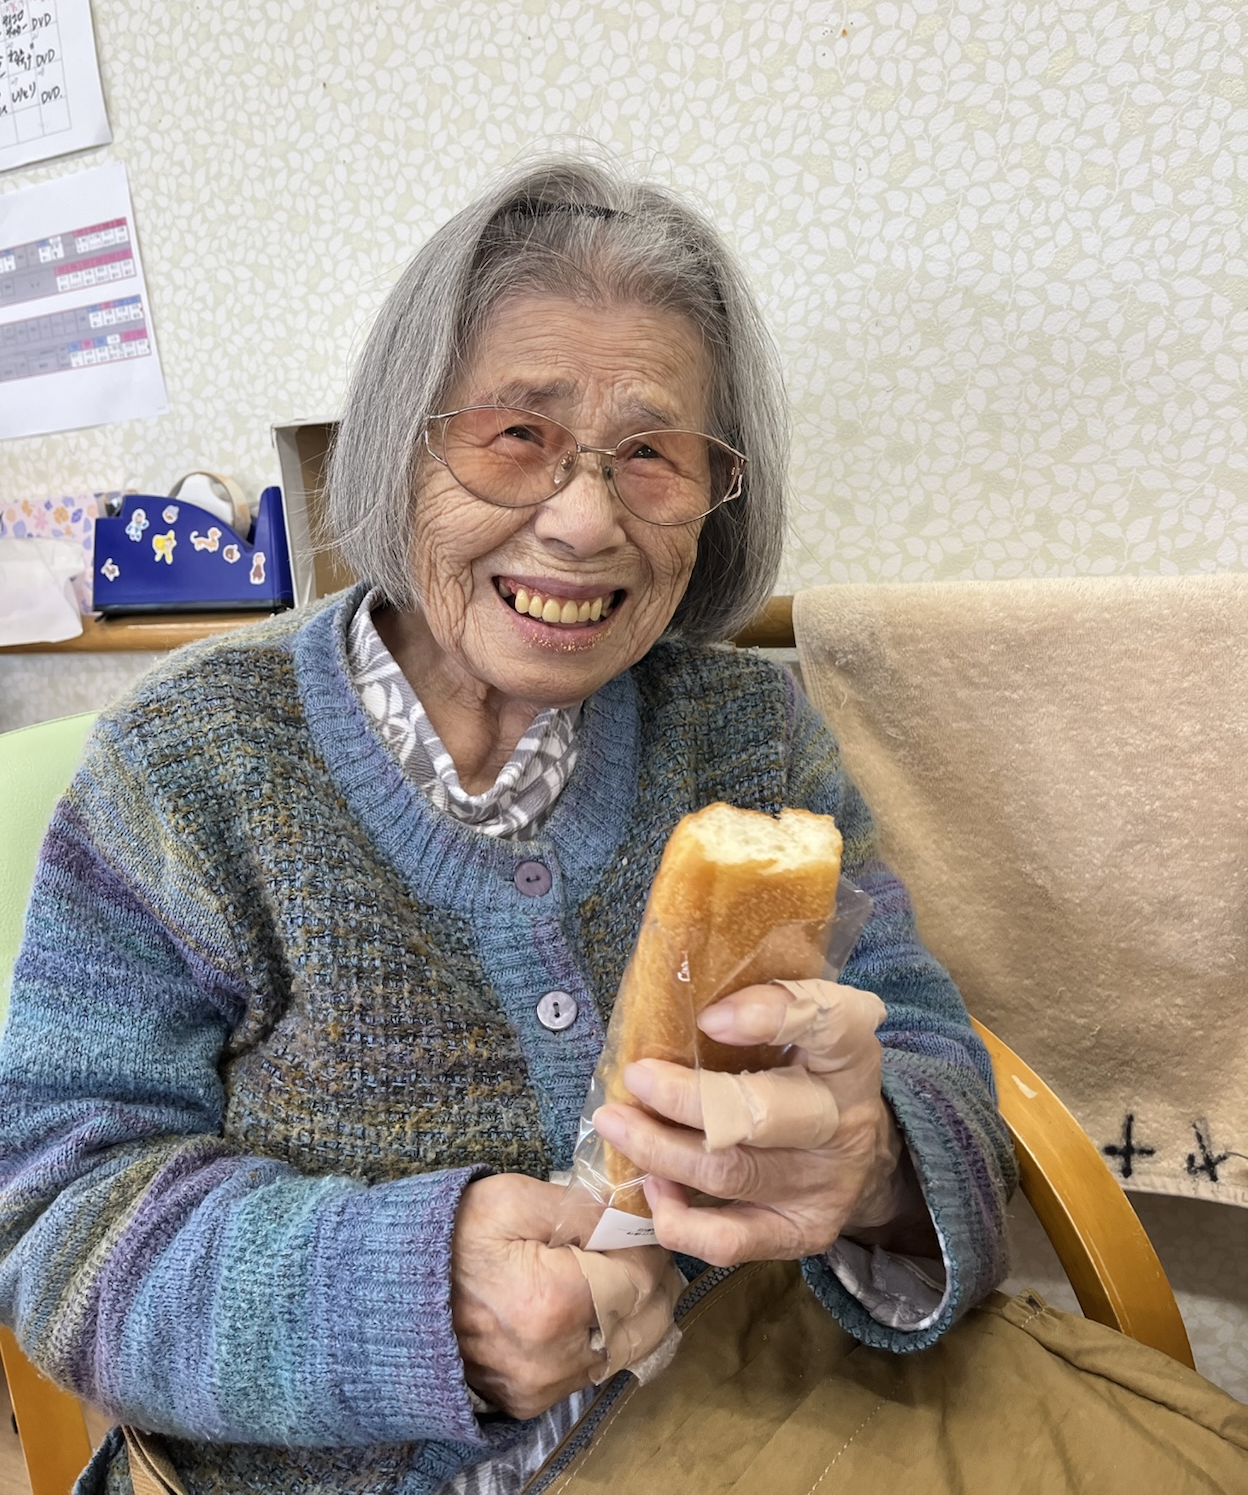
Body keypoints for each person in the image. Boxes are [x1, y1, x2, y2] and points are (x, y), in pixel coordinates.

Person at [0, 160, 1015, 1495]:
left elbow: (930, 1054)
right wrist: (404, 1299)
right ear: (402, 445)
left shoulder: (748, 738)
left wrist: (876, 1156)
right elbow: (56, 1221)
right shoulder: (187, 766)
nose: (586, 519)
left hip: (747, 1417)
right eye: (515, 434)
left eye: (651, 455)